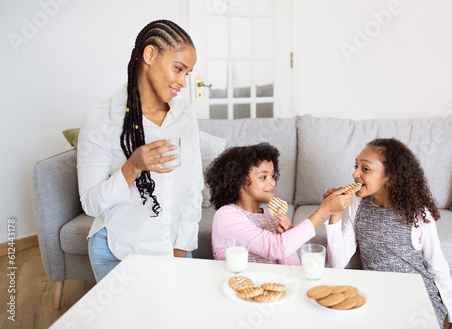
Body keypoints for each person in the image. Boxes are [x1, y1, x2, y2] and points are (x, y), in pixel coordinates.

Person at [77, 20, 203, 282]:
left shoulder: (185, 117)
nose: (182, 82)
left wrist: (181, 249)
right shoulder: (101, 119)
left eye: (187, 74)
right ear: (149, 54)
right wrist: (133, 166)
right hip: (117, 254)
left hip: (173, 251)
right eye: (178, 69)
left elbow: (193, 188)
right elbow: (90, 203)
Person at [325, 138, 452, 329]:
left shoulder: (418, 214)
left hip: (418, 299)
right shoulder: (356, 204)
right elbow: (337, 263)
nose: (354, 174)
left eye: (365, 169)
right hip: (378, 296)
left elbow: (438, 266)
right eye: (356, 166)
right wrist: (335, 215)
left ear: (390, 176)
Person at [205, 142, 352, 265]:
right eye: (263, 177)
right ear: (239, 181)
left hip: (273, 286)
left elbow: (293, 266)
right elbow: (276, 247)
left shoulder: (270, 215)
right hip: (243, 287)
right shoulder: (226, 216)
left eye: (273, 176)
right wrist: (324, 210)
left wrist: (289, 235)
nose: (273, 182)